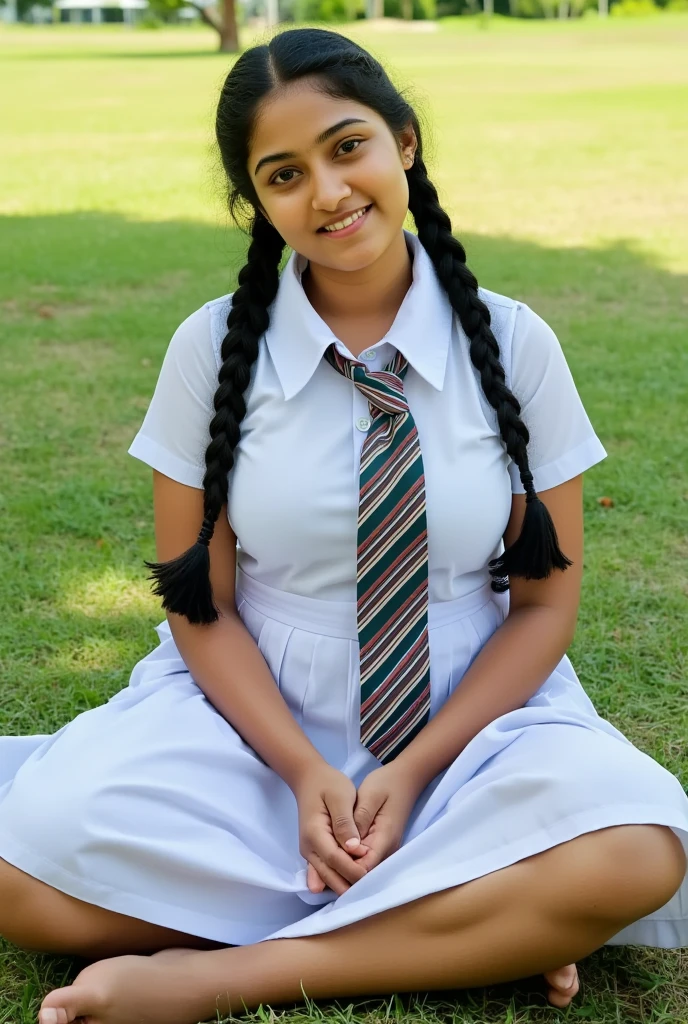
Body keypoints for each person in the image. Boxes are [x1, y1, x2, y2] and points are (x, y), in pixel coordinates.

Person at [0, 26, 686, 1024]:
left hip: (470, 721)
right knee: (22, 873)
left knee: (639, 850)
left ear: (403, 142)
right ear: (257, 203)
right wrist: (301, 768)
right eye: (284, 174)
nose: (325, 192)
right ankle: (472, 925)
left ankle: (217, 973)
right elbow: (201, 607)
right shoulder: (208, 350)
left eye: (346, 146)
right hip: (255, 716)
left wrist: (412, 774)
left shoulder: (517, 343)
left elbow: (542, 606)